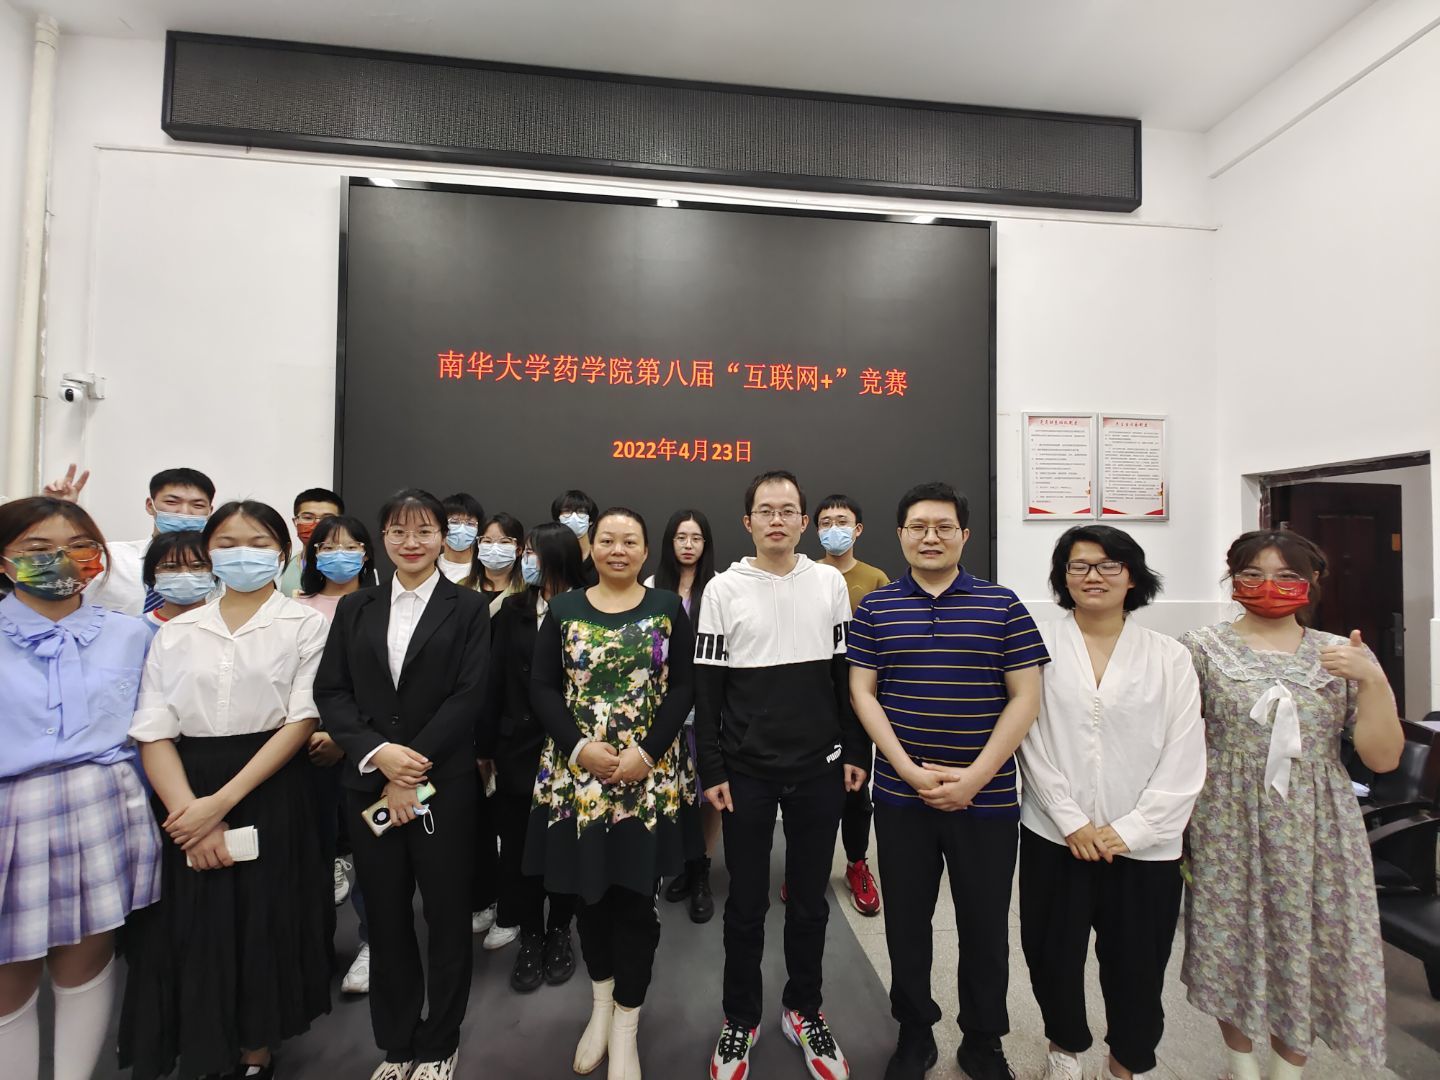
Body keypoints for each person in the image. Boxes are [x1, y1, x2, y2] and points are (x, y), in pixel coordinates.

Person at [119, 500, 333, 1080]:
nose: (244, 554)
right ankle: (200, 1039)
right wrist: (190, 811)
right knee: (194, 921)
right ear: (209, 552)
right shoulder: (176, 631)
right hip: (184, 786)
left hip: (268, 782)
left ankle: (255, 1050)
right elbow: (153, 727)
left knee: (263, 918)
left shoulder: (304, 624)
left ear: (283, 554)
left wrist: (221, 804)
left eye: (259, 544)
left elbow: (300, 720)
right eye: (228, 543)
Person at [1179, 530, 1402, 1080]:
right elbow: (1174, 740)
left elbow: (1382, 757)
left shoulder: (1343, 654)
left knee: (1312, 940)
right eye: (1252, 574)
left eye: (1286, 576)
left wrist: (1373, 680)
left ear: (1313, 581)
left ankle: (1288, 1069)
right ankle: (1241, 1065)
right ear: (1233, 579)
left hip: (1318, 821)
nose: (1268, 585)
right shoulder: (1199, 648)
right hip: (1226, 816)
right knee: (1229, 936)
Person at [848, 481, 1047, 1080]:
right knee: (906, 922)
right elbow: (863, 692)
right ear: (900, 535)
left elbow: (1026, 697)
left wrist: (975, 778)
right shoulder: (876, 608)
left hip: (986, 800)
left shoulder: (1003, 605)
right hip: (900, 797)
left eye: (942, 527)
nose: (929, 537)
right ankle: (915, 1032)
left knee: (984, 925)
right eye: (918, 527)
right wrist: (907, 770)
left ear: (964, 535)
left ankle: (983, 1039)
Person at [696, 470, 869, 1080]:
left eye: (788, 510)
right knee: (745, 904)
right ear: (748, 522)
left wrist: (855, 750)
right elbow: (708, 689)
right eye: (765, 510)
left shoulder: (828, 583)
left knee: (810, 903)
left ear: (803, 521)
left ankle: (803, 1010)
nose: (777, 519)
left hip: (819, 769)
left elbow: (845, 675)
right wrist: (711, 765)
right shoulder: (723, 589)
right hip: (745, 772)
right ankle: (739, 1019)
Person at [1016, 526, 1205, 1080]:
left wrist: (1134, 830)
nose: (1092, 576)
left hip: (1145, 847)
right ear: (1063, 577)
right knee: (1051, 952)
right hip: (1056, 835)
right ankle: (1065, 1049)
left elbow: (1185, 752)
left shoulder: (1170, 656)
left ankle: (1127, 1062)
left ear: (1132, 577)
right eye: (1078, 566)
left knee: (1138, 965)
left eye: (1108, 565)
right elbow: (1028, 737)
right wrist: (1070, 820)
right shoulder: (1038, 646)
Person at [315, 489, 492, 1080]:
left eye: (423, 531)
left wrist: (409, 767)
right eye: (398, 531)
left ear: (443, 537)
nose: (410, 542)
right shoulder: (356, 607)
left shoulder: (468, 608)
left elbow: (469, 695)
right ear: (382, 539)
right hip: (369, 783)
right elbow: (332, 692)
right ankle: (396, 1043)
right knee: (386, 918)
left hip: (443, 786)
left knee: (445, 915)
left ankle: (440, 1042)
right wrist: (379, 755)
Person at [526, 507, 694, 1080]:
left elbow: (684, 687)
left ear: (646, 552)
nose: (618, 550)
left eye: (629, 541)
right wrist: (578, 748)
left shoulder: (667, 607)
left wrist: (646, 753)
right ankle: (600, 1008)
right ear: (590, 548)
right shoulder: (564, 609)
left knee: (636, 901)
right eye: (607, 540)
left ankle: (627, 1025)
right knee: (588, 895)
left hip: (647, 777)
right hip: (579, 780)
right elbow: (542, 687)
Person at [0, 497, 162, 1080]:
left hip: (104, 803)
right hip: (10, 810)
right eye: (37, 549)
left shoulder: (131, 634)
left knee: (87, 958)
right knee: (10, 971)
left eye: (77, 547)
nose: (61, 560)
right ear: (4, 560)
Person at [479, 522, 586, 993]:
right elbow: (492, 682)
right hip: (516, 748)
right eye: (525, 552)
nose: (526, 561)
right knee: (519, 851)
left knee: (564, 846)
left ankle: (560, 930)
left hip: (572, 750)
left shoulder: (588, 607)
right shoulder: (512, 610)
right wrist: (485, 748)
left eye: (533, 553)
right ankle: (531, 935)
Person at [295, 513, 379, 995]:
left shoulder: (382, 604)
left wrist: (344, 738)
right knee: (311, 853)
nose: (339, 555)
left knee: (372, 849)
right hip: (302, 745)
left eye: (350, 546)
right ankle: (311, 950)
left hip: (367, 746)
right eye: (327, 547)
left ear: (367, 553)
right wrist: (312, 731)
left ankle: (372, 943)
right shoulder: (295, 607)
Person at [814, 494, 888, 917]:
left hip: (860, 701)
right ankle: (808, 866)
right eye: (826, 522)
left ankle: (857, 863)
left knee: (857, 789)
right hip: (815, 701)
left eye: (841, 521)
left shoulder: (875, 579)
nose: (834, 529)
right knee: (814, 792)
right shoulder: (805, 574)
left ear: (857, 529)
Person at [649, 509, 720, 924]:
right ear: (669, 542)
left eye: (696, 538)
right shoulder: (649, 587)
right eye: (681, 537)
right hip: (664, 707)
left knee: (708, 792)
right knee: (675, 791)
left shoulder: (720, 588)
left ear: (706, 544)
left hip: (708, 706)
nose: (688, 545)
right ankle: (683, 862)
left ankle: (701, 871)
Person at [45, 463, 216, 616]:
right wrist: (57, 513)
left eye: (198, 505)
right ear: (150, 505)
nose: (184, 511)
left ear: (210, 511)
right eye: (172, 502)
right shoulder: (109, 557)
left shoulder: (221, 565)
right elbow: (51, 579)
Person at [140, 531, 215, 636]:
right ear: (153, 575)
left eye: (197, 566)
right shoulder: (134, 628)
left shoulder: (228, 626)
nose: (185, 575)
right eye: (171, 567)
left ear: (214, 572)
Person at [278, 487, 345, 597]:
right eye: (308, 518)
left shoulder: (350, 566)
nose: (317, 525)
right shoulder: (284, 565)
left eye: (327, 519)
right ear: (295, 522)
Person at [475, 512, 526, 615]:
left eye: (504, 542)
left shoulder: (528, 590)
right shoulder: (463, 586)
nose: (495, 548)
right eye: (487, 541)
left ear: (519, 550)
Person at [553, 489, 600, 584]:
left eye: (581, 511)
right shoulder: (551, 556)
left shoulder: (600, 556)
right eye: (567, 511)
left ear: (590, 520)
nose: (574, 516)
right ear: (558, 518)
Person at [438, 492, 484, 586]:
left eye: (470, 523)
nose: (462, 529)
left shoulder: (484, 569)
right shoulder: (428, 565)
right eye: (454, 522)